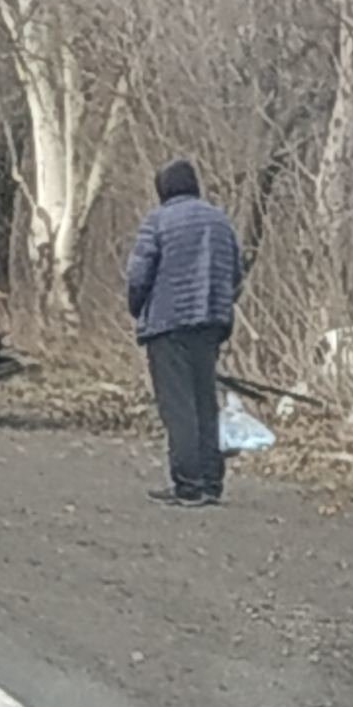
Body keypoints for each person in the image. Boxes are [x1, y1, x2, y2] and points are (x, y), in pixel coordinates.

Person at [125, 158, 243, 507]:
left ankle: (187, 484)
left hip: (169, 324)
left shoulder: (158, 222)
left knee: (178, 406)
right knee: (206, 402)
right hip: (211, 322)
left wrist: (138, 307)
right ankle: (211, 481)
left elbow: (138, 273)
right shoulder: (221, 221)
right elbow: (236, 273)